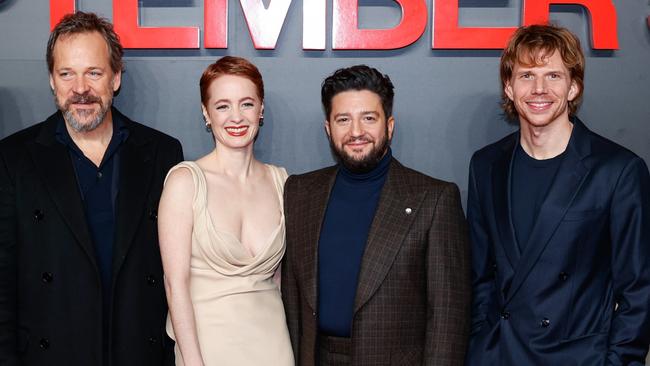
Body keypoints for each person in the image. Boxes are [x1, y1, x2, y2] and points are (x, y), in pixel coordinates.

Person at [0, 11, 183, 366]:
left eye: (93, 73)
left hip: (137, 352)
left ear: (115, 78)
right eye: (66, 73)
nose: (80, 88)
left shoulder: (161, 153)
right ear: (52, 81)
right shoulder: (13, 159)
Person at [465, 24, 650, 365]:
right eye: (526, 76)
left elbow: (638, 289)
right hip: (500, 354)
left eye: (553, 76)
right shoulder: (486, 165)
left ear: (573, 87)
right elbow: (480, 276)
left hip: (577, 357)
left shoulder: (618, 170)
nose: (539, 89)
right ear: (508, 87)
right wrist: (482, 342)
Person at [281, 65, 471, 366]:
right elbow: (291, 302)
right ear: (328, 128)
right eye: (343, 120)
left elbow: (448, 317)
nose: (356, 132)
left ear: (389, 125)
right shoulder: (299, 193)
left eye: (369, 118)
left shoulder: (434, 199)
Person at [159, 56, 294, 366]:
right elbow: (174, 283)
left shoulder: (282, 182)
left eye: (246, 104)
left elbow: (278, 280)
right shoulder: (185, 182)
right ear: (207, 114)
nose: (236, 117)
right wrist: (193, 361)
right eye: (222, 106)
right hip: (207, 348)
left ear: (261, 110)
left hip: (273, 346)